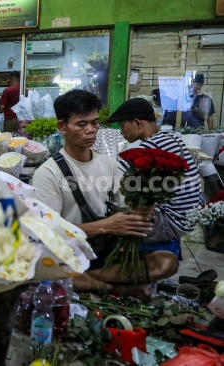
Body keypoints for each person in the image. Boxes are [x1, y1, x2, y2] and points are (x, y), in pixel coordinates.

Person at [31, 90, 177, 295]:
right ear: (62, 127)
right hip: (69, 255)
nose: (90, 130)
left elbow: (127, 207)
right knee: (45, 265)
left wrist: (142, 211)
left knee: (167, 261)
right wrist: (104, 226)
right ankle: (113, 287)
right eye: (81, 124)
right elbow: (47, 234)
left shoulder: (110, 163)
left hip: (105, 257)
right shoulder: (48, 173)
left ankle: (94, 281)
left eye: (95, 123)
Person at [109, 98, 201, 253]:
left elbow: (114, 173)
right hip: (185, 219)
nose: (121, 131)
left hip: (170, 223)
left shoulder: (152, 146)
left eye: (122, 125)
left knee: (106, 211)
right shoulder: (172, 137)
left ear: (138, 123)